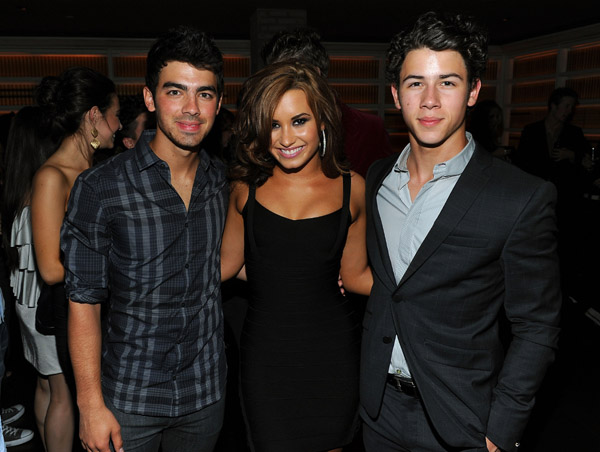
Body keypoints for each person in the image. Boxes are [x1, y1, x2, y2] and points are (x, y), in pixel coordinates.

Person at [360, 11, 562, 452]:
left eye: (447, 83)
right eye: (415, 83)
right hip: (378, 412)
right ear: (395, 94)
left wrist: (501, 430)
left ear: (473, 92)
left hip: (463, 421)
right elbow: (392, 285)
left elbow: (537, 325)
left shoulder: (520, 197)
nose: (430, 100)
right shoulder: (376, 179)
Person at [61, 26, 227, 452]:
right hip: (129, 399)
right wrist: (89, 405)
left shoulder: (223, 182)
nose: (191, 108)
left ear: (219, 102)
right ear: (150, 99)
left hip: (205, 394)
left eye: (205, 94)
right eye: (175, 92)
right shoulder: (101, 187)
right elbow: (83, 302)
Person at [221, 61, 372, 452]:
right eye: (273, 124)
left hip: (332, 354)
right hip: (267, 356)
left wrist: (427, 285)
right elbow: (226, 267)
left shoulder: (353, 188)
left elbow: (355, 275)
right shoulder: (244, 189)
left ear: (322, 121)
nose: (286, 138)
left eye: (299, 121)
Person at [4, 103, 90, 452]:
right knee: (62, 393)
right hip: (44, 307)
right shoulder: (46, 187)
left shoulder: (19, 189)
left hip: (27, 305)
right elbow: (52, 266)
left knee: (45, 384)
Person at [261, 28, 394, 177]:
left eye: (288, 75)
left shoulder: (370, 129)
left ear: (316, 74)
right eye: (273, 77)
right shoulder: (260, 127)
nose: (280, 84)